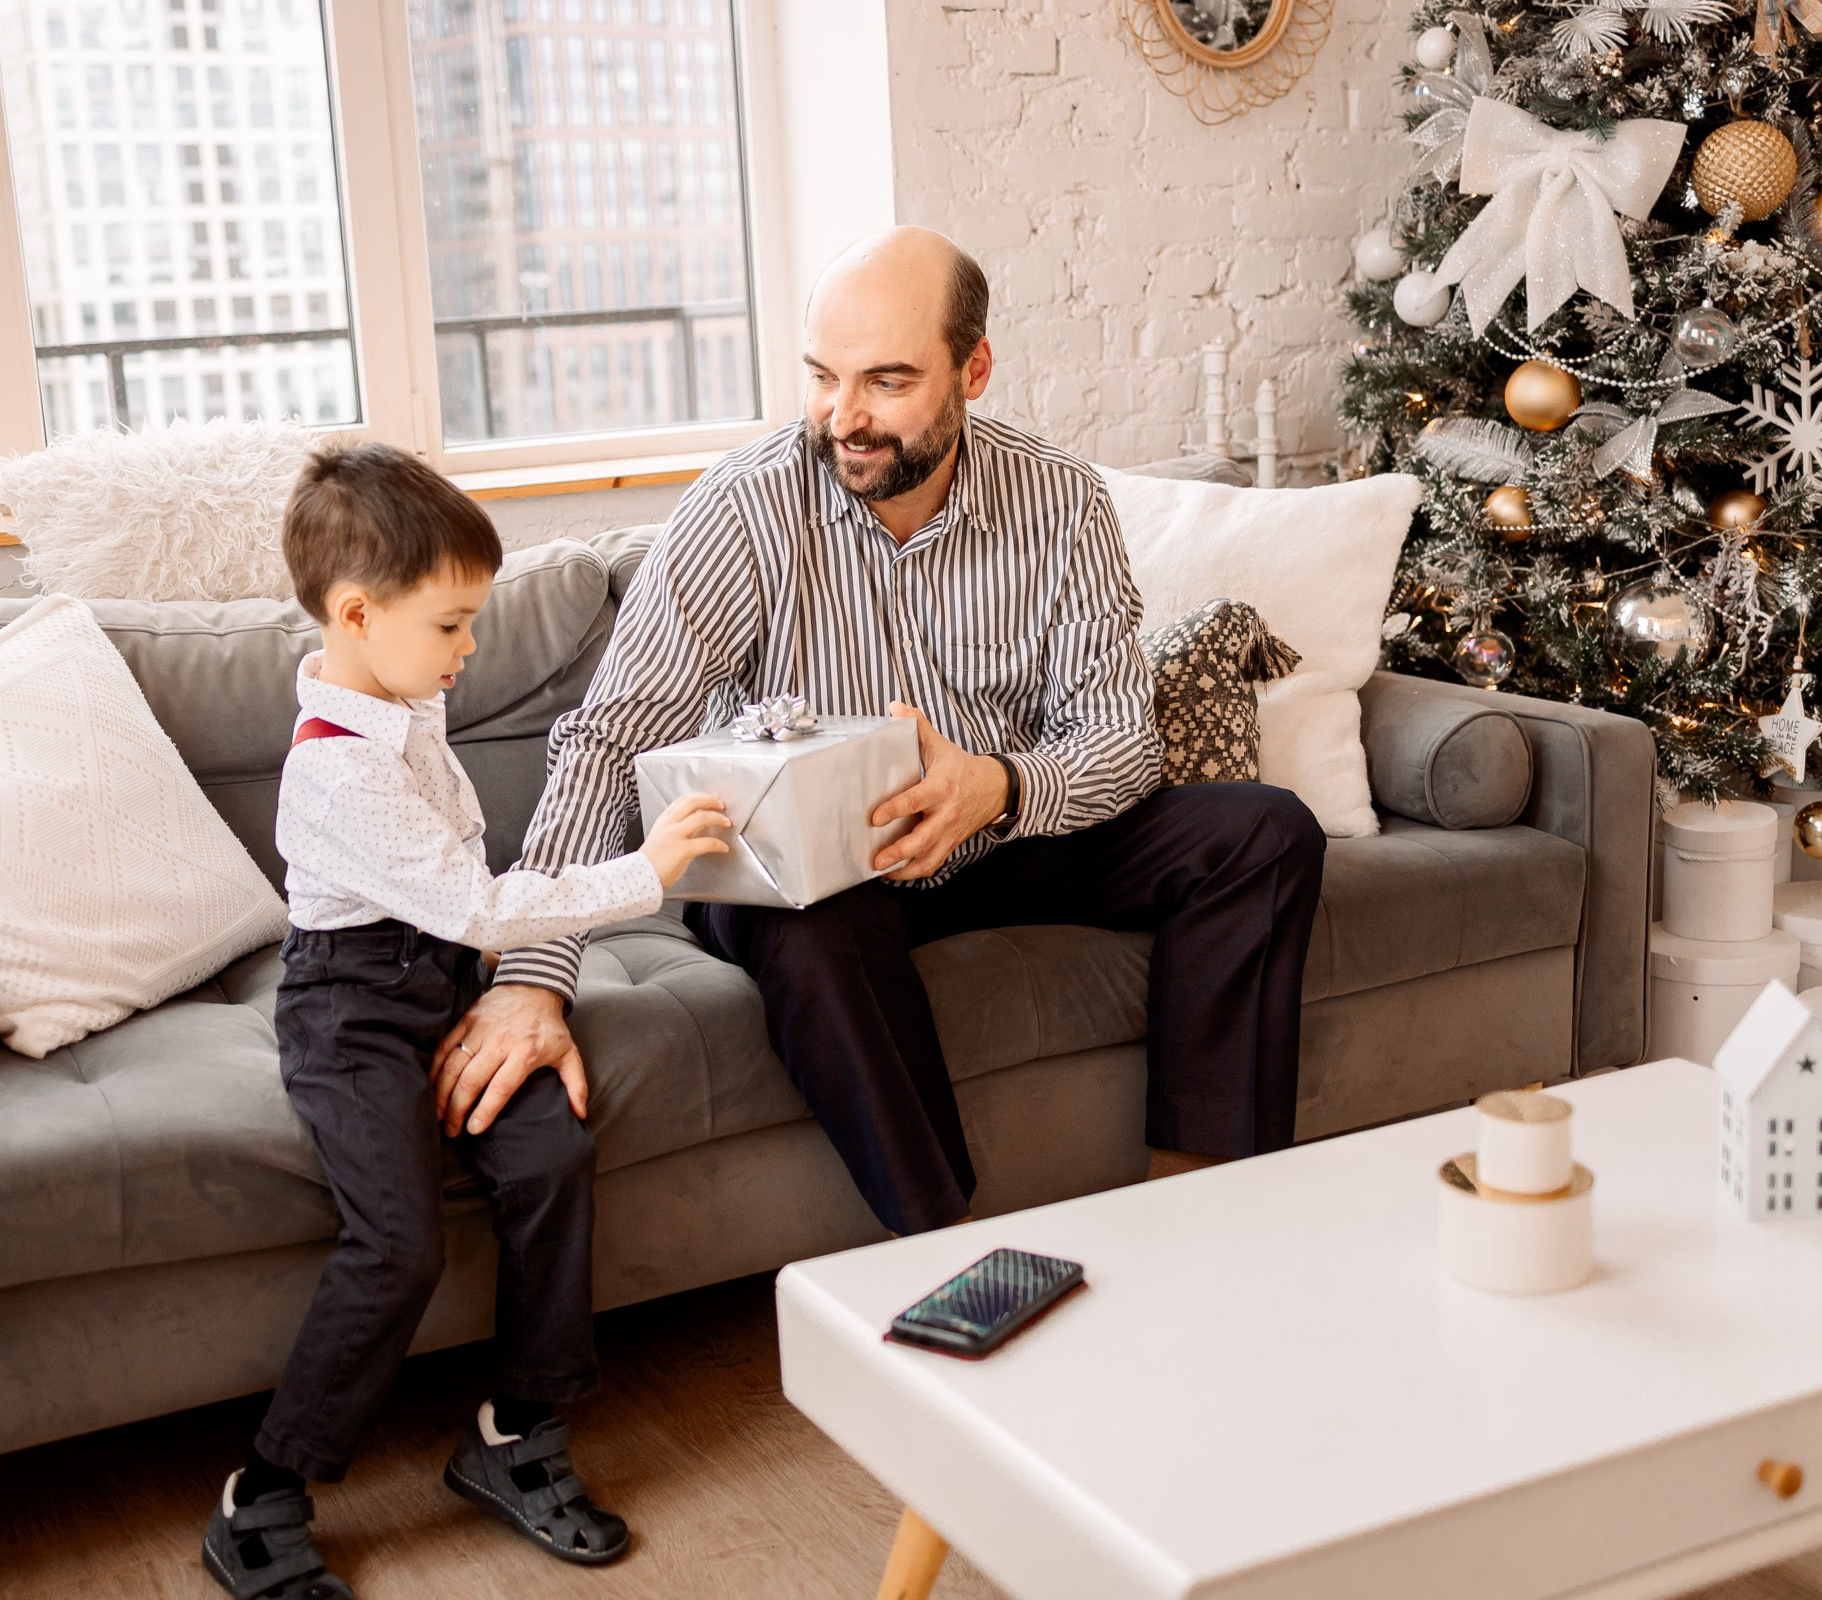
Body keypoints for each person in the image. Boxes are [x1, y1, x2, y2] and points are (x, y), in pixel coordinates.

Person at [433, 226, 1327, 1239]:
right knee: (807, 927)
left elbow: (1121, 740)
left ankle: (1206, 1202)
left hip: (999, 832)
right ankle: (951, 1250)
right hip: (809, 872)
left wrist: (995, 786)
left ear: (972, 369)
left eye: (888, 381)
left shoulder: (1061, 502)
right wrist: (531, 979)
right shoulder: (745, 510)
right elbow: (610, 739)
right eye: (823, 376)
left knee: (1264, 831)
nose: (843, 418)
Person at [202, 441, 730, 1600]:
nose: (469, 646)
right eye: (450, 624)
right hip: (348, 1011)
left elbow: (461, 907)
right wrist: (642, 872)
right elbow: (480, 906)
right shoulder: (336, 771)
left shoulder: (404, 697)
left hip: (438, 985)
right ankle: (266, 1492)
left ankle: (514, 1431)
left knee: (549, 1156)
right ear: (356, 613)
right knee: (397, 1240)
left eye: (474, 620)